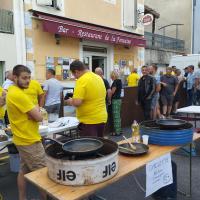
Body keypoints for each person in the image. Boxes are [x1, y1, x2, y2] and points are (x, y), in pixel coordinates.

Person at [6, 65, 46, 200]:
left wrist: (34, 112)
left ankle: (22, 198)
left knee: (23, 170)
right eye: (24, 78)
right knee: (43, 173)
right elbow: (39, 117)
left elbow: (35, 113)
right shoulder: (18, 94)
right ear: (14, 77)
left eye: (29, 77)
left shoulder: (12, 90)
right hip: (29, 140)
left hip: (22, 138)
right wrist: (35, 112)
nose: (27, 81)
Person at [65, 60, 107, 137]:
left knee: (89, 147)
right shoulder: (98, 77)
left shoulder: (81, 80)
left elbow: (77, 102)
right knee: (99, 144)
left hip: (89, 121)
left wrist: (69, 101)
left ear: (77, 71)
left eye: (74, 75)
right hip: (102, 118)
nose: (75, 77)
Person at [110, 71, 122, 136]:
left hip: (115, 100)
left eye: (111, 76)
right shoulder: (120, 81)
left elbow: (112, 92)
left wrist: (109, 98)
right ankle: (119, 130)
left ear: (113, 76)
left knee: (116, 116)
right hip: (119, 100)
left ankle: (117, 132)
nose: (111, 77)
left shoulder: (115, 82)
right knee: (118, 116)